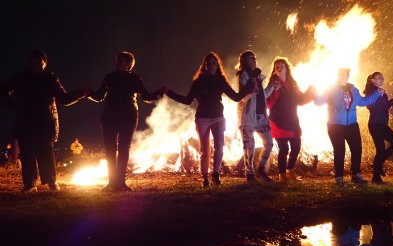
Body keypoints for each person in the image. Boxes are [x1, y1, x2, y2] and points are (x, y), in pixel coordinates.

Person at [0, 49, 89, 192]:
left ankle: (51, 182)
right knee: (27, 153)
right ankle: (29, 185)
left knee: (46, 152)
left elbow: (63, 98)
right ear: (30, 63)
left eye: (40, 64)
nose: (38, 67)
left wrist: (80, 94)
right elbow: (3, 88)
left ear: (45, 63)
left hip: (44, 122)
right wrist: (12, 106)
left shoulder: (50, 77)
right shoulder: (22, 77)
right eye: (35, 64)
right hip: (25, 120)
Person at [164, 52, 253, 187]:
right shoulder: (198, 82)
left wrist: (248, 88)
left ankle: (215, 174)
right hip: (202, 119)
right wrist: (169, 93)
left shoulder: (220, 81)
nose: (211, 65)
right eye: (208, 63)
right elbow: (187, 100)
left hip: (218, 118)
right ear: (205, 66)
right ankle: (205, 177)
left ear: (217, 66)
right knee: (205, 150)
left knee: (219, 147)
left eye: (213, 63)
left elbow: (235, 97)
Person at [89, 51, 163, 192]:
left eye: (121, 61)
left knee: (124, 149)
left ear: (129, 64)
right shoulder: (109, 77)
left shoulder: (135, 79)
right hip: (110, 116)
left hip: (128, 117)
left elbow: (146, 96)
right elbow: (99, 96)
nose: (117, 63)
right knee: (110, 149)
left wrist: (160, 92)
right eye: (117, 61)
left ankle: (121, 183)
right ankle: (112, 183)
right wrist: (87, 93)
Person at [312, 68, 383, 185]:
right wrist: (314, 92)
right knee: (340, 150)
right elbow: (319, 101)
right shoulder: (330, 89)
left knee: (356, 149)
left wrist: (377, 94)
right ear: (337, 76)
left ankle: (356, 175)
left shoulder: (354, 90)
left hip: (352, 124)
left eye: (345, 74)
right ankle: (339, 176)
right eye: (340, 74)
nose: (343, 76)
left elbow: (363, 102)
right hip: (335, 125)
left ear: (348, 76)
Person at [265, 57, 313, 182]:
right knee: (284, 149)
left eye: (282, 66)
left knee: (296, 146)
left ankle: (290, 169)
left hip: (292, 120)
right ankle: (282, 175)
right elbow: (267, 104)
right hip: (278, 122)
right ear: (274, 70)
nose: (279, 68)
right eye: (277, 66)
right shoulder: (272, 85)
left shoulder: (292, 84)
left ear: (287, 68)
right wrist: (274, 91)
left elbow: (300, 100)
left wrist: (310, 93)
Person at [236, 50, 275, 183]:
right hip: (248, 117)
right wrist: (250, 91)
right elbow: (242, 97)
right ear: (245, 61)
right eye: (250, 58)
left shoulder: (257, 75)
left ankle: (261, 168)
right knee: (249, 146)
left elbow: (262, 95)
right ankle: (250, 173)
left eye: (254, 57)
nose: (254, 60)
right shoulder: (243, 75)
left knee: (269, 143)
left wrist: (272, 87)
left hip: (261, 116)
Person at [363, 72, 393, 184]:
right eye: (379, 77)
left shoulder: (381, 92)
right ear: (373, 80)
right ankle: (376, 176)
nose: (382, 79)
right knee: (381, 150)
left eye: (382, 77)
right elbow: (373, 107)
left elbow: (385, 106)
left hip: (382, 124)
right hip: (375, 124)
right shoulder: (372, 91)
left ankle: (377, 165)